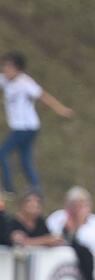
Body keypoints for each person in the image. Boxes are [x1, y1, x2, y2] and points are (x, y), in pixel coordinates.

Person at [0, 52, 74, 194]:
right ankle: (36, 189)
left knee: (2, 153)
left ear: (18, 69)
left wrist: (61, 109)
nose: (5, 70)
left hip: (26, 128)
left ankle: (9, 189)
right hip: (21, 128)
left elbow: (43, 96)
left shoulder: (25, 83)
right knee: (25, 161)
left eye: (8, 67)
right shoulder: (5, 80)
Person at [46, 186, 95, 280]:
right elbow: (54, 238)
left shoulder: (94, 221)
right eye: (76, 205)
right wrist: (71, 227)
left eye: (84, 205)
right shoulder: (58, 217)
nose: (79, 209)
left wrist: (79, 224)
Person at [46, 186, 95, 250]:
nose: (83, 210)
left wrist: (80, 223)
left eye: (86, 205)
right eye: (79, 206)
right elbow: (52, 240)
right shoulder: (57, 217)